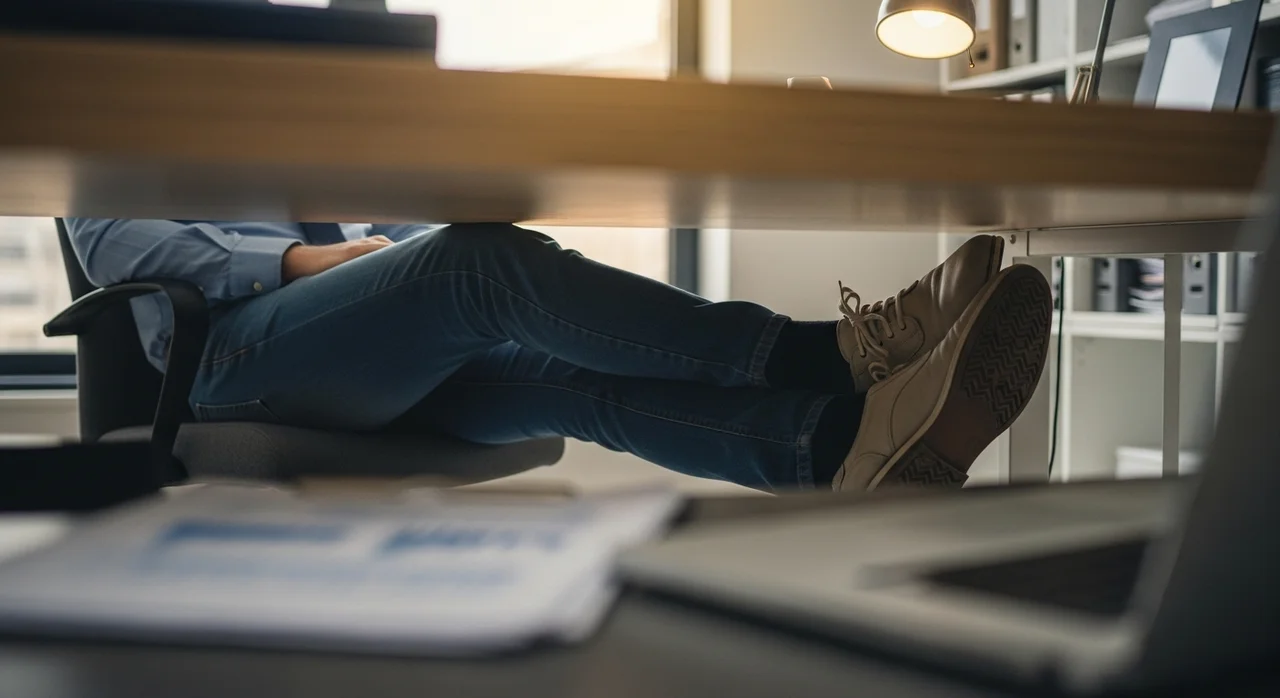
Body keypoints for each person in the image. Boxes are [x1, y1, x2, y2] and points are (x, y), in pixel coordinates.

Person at [64, 220, 1052, 492]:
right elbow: (123, 244)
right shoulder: (114, 79)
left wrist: (394, 237)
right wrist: (310, 257)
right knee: (475, 265)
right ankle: (833, 356)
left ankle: (840, 445)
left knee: (570, 375)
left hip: (362, 359)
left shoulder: (270, 98)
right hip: (230, 365)